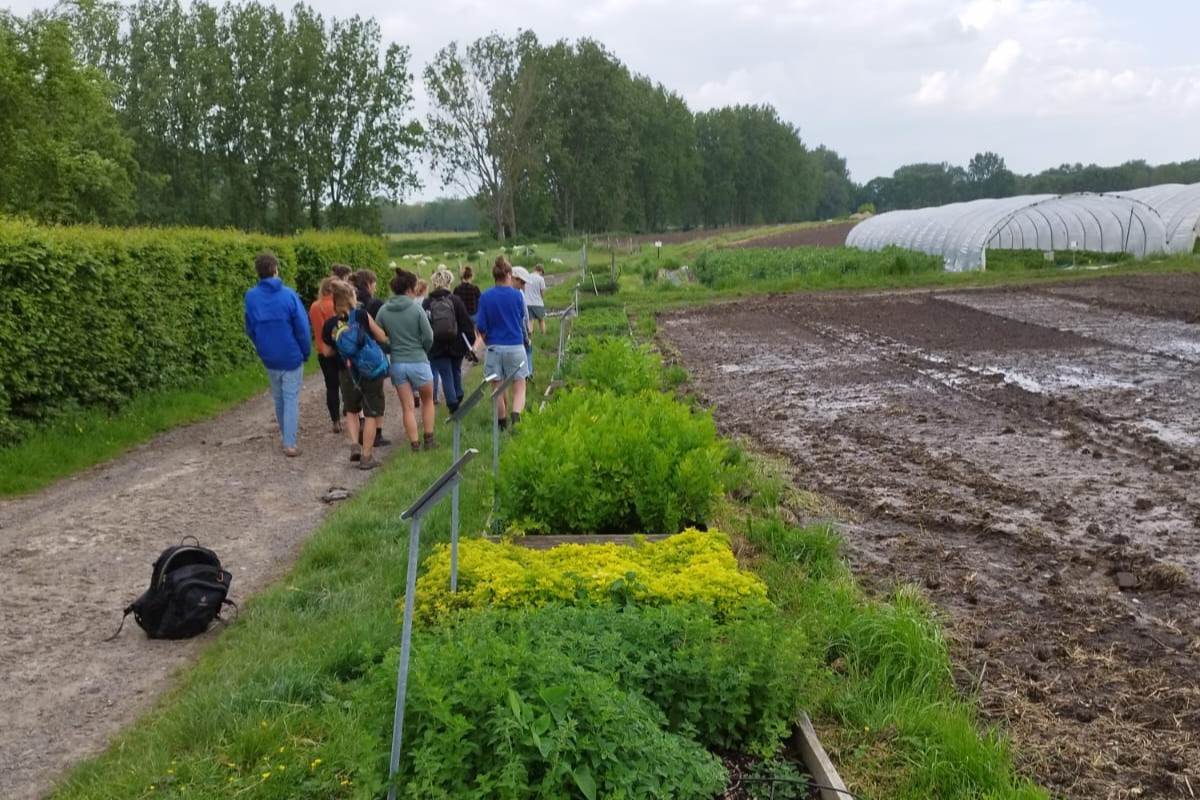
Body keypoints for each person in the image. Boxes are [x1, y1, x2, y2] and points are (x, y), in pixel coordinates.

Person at [244, 251, 311, 457]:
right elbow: (302, 327)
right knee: (290, 398)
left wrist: (261, 345)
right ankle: (289, 443)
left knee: (279, 398)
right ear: (275, 270)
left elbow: (250, 327)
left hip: (269, 355)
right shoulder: (288, 295)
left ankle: (286, 435)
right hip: (291, 354)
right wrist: (305, 351)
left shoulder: (251, 297)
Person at [321, 280, 389, 470]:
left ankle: (354, 446)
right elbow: (381, 336)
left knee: (351, 410)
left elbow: (326, 352)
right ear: (352, 298)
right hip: (370, 370)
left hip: (347, 372)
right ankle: (367, 456)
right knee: (371, 413)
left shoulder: (330, 324)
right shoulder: (361, 315)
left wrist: (343, 348)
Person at [376, 268, 438, 451]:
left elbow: (379, 338)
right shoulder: (416, 309)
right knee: (427, 400)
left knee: (407, 407)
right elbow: (429, 336)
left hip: (397, 363)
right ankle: (429, 440)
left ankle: (414, 444)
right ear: (410, 289)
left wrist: (389, 349)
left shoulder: (383, 311)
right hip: (418, 360)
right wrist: (423, 350)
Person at [475, 257, 529, 430]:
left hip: (494, 347)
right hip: (515, 345)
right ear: (508, 275)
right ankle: (516, 418)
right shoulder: (517, 295)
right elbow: (521, 318)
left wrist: (486, 341)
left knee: (497, 388)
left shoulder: (485, 297)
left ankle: (501, 424)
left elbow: (481, 326)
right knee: (519, 386)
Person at [422, 267, 475, 413]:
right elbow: (465, 323)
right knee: (456, 370)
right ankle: (458, 395)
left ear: (434, 283)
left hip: (436, 346)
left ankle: (452, 404)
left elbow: (424, 325)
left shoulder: (427, 303)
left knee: (445, 374)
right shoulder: (455, 300)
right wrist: (469, 343)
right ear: (449, 283)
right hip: (456, 344)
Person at [350, 269, 390, 446]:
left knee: (356, 394)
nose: (376, 287)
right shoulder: (375, 304)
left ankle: (360, 423)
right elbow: (381, 332)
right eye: (374, 284)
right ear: (368, 284)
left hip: (351, 356)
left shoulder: (348, 304)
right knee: (376, 395)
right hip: (371, 356)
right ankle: (376, 433)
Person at [308, 275, 342, 433]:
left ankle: (335, 420)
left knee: (331, 387)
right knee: (347, 384)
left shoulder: (315, 306)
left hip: (323, 351)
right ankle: (354, 414)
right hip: (340, 350)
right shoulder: (337, 305)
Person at [524, 263, 548, 334]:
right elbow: (542, 292)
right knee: (541, 320)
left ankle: (529, 336)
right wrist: (542, 297)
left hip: (527, 303)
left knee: (530, 321)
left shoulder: (527, 277)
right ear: (541, 271)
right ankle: (543, 334)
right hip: (538, 303)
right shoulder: (541, 279)